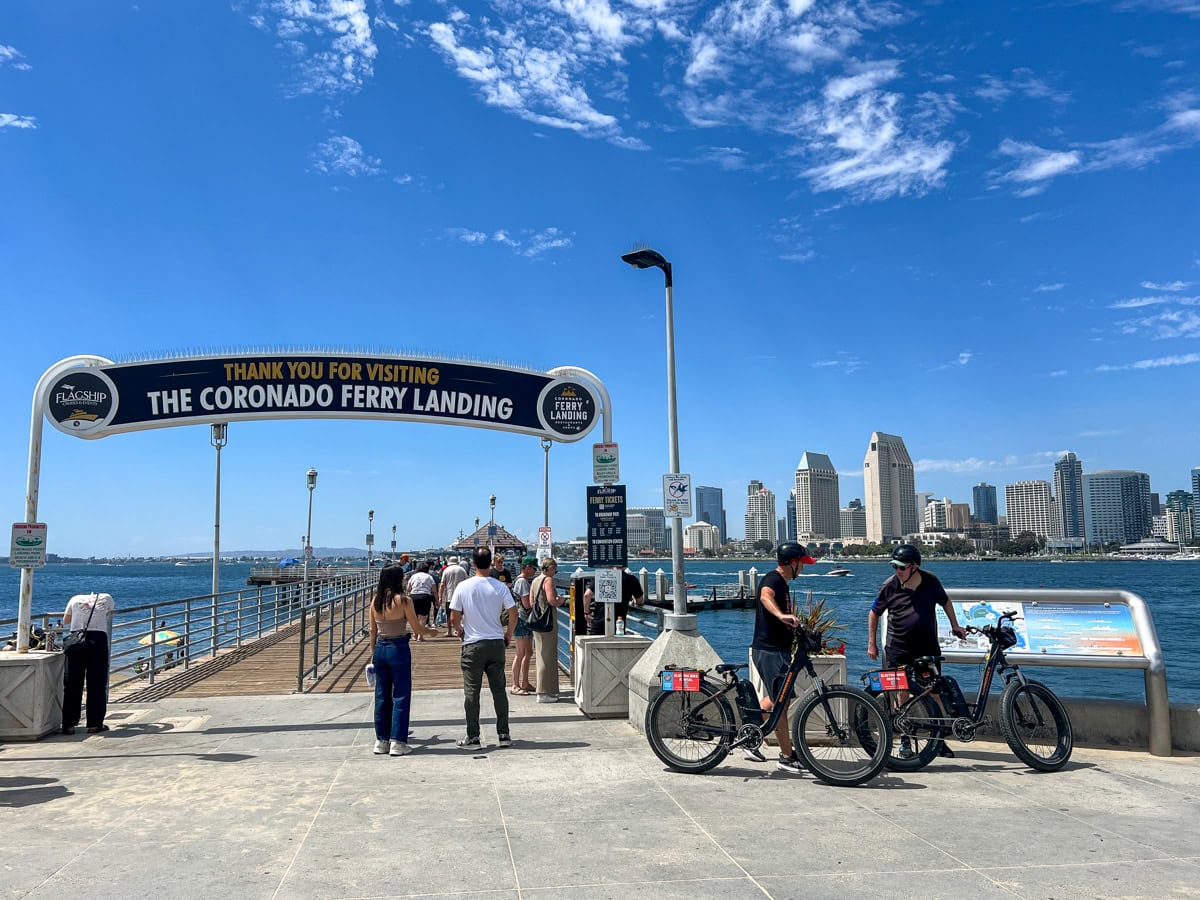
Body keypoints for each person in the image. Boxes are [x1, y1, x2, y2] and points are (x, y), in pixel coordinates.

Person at [866, 543, 967, 759]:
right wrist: (871, 644)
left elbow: (946, 602)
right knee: (901, 692)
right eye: (894, 567)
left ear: (914, 567)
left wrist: (955, 625)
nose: (897, 571)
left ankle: (937, 740)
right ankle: (905, 739)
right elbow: (874, 613)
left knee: (933, 690)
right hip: (898, 647)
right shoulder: (889, 586)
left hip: (926, 647)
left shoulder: (930, 581)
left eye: (901, 567)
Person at [746, 542, 815, 773]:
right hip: (769, 651)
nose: (803, 569)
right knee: (782, 704)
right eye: (802, 564)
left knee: (779, 699)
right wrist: (781, 615)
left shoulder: (783, 583)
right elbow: (765, 597)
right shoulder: (773, 580)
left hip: (777, 650)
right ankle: (786, 756)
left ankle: (749, 731)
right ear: (792, 562)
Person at [449, 547, 517, 749]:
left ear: (473, 562)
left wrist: (461, 632)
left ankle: (473, 736)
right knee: (499, 691)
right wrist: (508, 635)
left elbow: (454, 617)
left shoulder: (463, 586)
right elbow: (513, 613)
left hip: (473, 644)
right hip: (496, 643)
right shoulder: (500, 586)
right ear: (490, 563)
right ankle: (504, 734)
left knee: (472, 692)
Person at [369, 565, 438, 757]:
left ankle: (381, 740)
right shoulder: (404, 601)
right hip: (398, 647)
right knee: (401, 694)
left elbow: (372, 631)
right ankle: (398, 741)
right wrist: (431, 632)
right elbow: (417, 628)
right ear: (398, 580)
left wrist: (374, 652)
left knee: (382, 695)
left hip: (380, 648)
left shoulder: (375, 601)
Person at [61, 591, 116, 735]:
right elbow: (110, 610)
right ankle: (94, 724)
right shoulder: (106, 597)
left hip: (76, 639)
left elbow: (66, 620)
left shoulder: (74, 598)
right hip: (97, 639)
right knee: (97, 683)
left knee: (72, 682)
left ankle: (69, 724)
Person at [530, 557, 565, 703]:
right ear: (550, 568)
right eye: (554, 569)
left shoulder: (535, 580)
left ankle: (544, 690)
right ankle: (544, 692)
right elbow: (552, 600)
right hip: (548, 622)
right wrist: (561, 600)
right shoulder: (548, 580)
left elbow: (532, 602)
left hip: (538, 622)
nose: (555, 572)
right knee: (548, 656)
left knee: (541, 654)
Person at [509, 555, 538, 695]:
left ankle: (525, 682)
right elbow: (527, 604)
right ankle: (515, 684)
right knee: (520, 653)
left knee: (528, 652)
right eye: (533, 568)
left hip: (523, 619)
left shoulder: (521, 581)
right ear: (526, 567)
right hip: (521, 619)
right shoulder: (523, 582)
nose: (535, 571)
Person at [584, 569, 645, 635]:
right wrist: (632, 598)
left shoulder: (602, 577)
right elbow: (640, 601)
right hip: (619, 624)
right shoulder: (631, 579)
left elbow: (587, 595)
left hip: (598, 623)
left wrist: (587, 613)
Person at [405, 561, 437, 638]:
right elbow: (434, 590)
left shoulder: (413, 576)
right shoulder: (429, 577)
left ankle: (415, 634)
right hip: (425, 596)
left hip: (413, 596)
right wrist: (437, 600)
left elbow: (408, 589)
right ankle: (420, 636)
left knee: (414, 617)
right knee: (423, 617)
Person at [439, 556, 468, 637]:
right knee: (461, 614)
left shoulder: (446, 570)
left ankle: (449, 631)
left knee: (449, 615)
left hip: (449, 595)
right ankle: (459, 630)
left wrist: (440, 596)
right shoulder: (462, 570)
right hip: (461, 596)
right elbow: (467, 582)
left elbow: (442, 584)